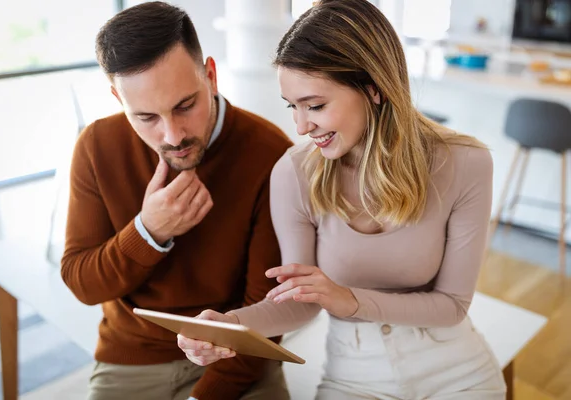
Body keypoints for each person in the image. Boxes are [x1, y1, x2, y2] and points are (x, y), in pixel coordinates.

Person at [177, 0, 507, 399]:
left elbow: (453, 305)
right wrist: (230, 325)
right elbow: (300, 303)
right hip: (354, 373)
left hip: (456, 368)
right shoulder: (294, 173)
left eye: (315, 106)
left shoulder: (466, 163)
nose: (301, 127)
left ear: (374, 88)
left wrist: (348, 299)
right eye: (293, 108)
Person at [60, 2, 293, 399]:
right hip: (134, 355)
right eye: (146, 117)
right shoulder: (97, 148)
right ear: (119, 98)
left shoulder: (270, 155)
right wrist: (148, 232)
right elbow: (82, 283)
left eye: (185, 106)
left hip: (235, 356)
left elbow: (266, 314)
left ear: (211, 76)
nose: (172, 136)